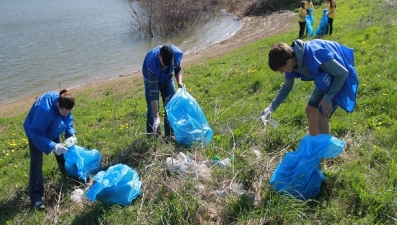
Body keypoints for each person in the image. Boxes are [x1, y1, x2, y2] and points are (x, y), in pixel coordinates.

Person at [261, 39, 359, 136]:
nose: (281, 72)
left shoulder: (314, 54)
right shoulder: (292, 65)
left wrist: (328, 98)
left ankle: (325, 150)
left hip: (340, 77)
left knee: (322, 115)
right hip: (324, 79)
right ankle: (315, 145)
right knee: (311, 110)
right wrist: (270, 108)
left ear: (289, 61)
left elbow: (342, 73)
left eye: (281, 69)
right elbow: (286, 87)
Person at [23, 89, 77, 209]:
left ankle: (66, 173)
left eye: (68, 112)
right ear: (58, 105)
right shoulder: (45, 112)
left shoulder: (64, 102)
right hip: (35, 132)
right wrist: (52, 145)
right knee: (36, 163)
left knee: (61, 152)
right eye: (63, 112)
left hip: (52, 126)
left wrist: (71, 134)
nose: (66, 114)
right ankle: (36, 197)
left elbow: (67, 119)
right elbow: (35, 132)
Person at [142, 44, 184, 137]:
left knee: (170, 106)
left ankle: (170, 136)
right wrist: (156, 117)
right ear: (159, 57)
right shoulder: (151, 64)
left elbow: (178, 69)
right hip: (151, 82)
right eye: (165, 64)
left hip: (167, 79)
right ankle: (152, 137)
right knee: (152, 112)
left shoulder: (176, 54)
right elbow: (153, 92)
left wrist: (179, 82)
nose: (167, 66)